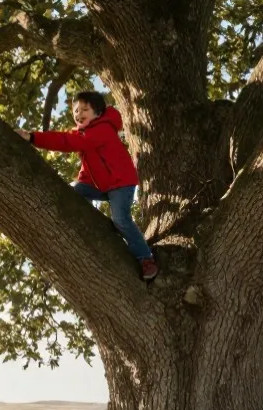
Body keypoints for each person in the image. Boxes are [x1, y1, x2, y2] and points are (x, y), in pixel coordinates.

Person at [16, 91, 159, 281]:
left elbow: (66, 141)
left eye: (85, 109)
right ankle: (110, 225)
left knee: (121, 219)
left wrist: (33, 138)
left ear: (98, 113)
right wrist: (81, 183)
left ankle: (146, 258)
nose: (78, 113)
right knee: (76, 190)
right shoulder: (83, 134)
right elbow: (88, 167)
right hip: (104, 186)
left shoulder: (103, 129)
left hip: (121, 184)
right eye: (75, 110)